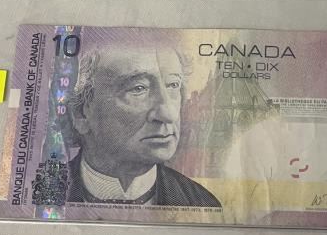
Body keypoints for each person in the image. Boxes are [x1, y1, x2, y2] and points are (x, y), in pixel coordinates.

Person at [64, 41, 221, 207]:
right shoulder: (46, 195)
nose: (169, 114)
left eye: (173, 85)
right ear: (81, 113)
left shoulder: (203, 204)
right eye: (138, 88)